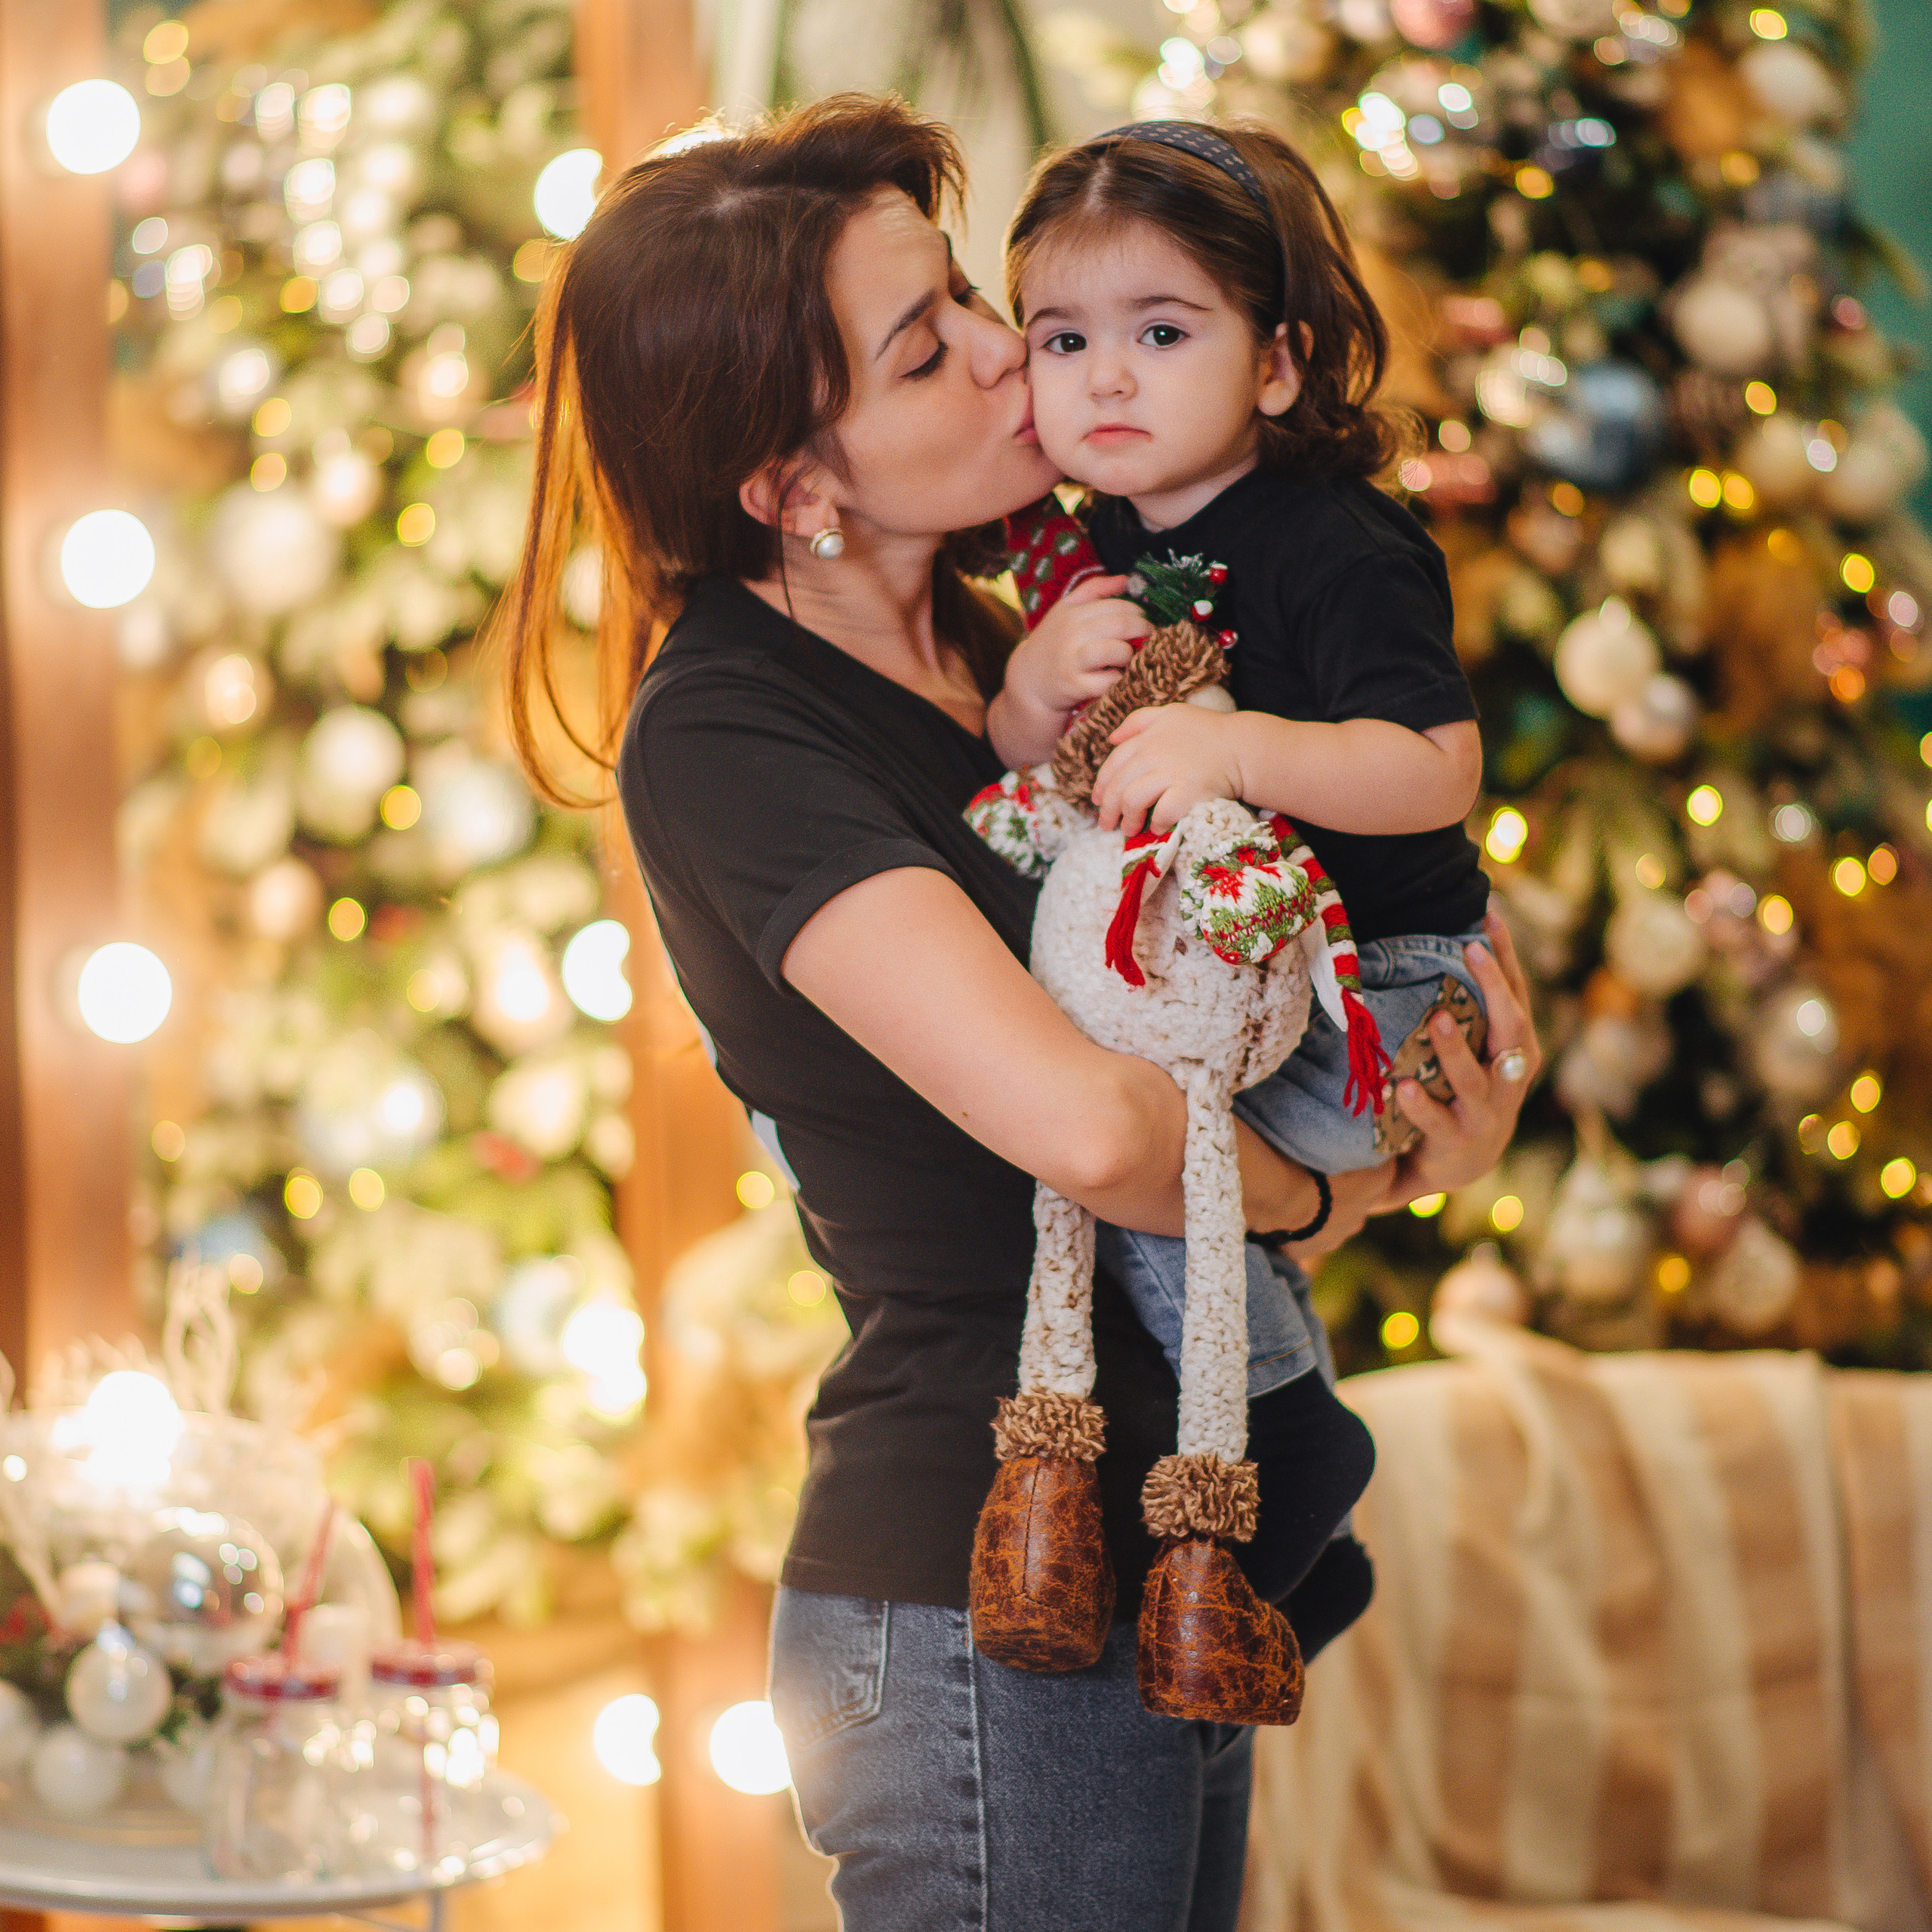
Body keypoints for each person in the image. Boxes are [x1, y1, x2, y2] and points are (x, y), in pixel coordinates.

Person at [499, 94, 1541, 1932]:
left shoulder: (1022, 647)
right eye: (926, 350)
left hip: (1180, 1555)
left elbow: (1212, 1028)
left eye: (970, 301)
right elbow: (1094, 1127)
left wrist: (1400, 1092)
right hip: (985, 1600)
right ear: (790, 487)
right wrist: (1341, 1189)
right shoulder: (729, 730)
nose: (1009, 357)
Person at [989, 121, 1497, 1436]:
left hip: (1375, 982)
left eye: (1162, 333)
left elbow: (1437, 769)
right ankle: (1252, 1405)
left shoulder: (1338, 545)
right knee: (1114, 1115)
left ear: (1276, 364)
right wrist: (1033, 687)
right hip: (1235, 965)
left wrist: (1233, 749)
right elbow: (1045, 760)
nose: (1107, 377)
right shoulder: (1093, 539)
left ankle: (1264, 1422)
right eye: (1063, 340)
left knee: (1142, 1140)